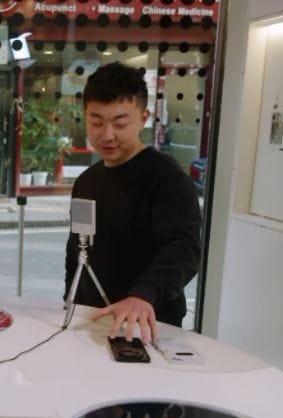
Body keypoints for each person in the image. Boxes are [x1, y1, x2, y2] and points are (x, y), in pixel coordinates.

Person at [65, 62, 201, 343]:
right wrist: (69, 302)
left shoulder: (166, 178)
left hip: (147, 324)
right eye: (97, 122)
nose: (107, 135)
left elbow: (183, 249)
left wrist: (143, 295)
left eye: (120, 123)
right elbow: (77, 250)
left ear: (144, 118)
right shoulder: (86, 182)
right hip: (92, 320)